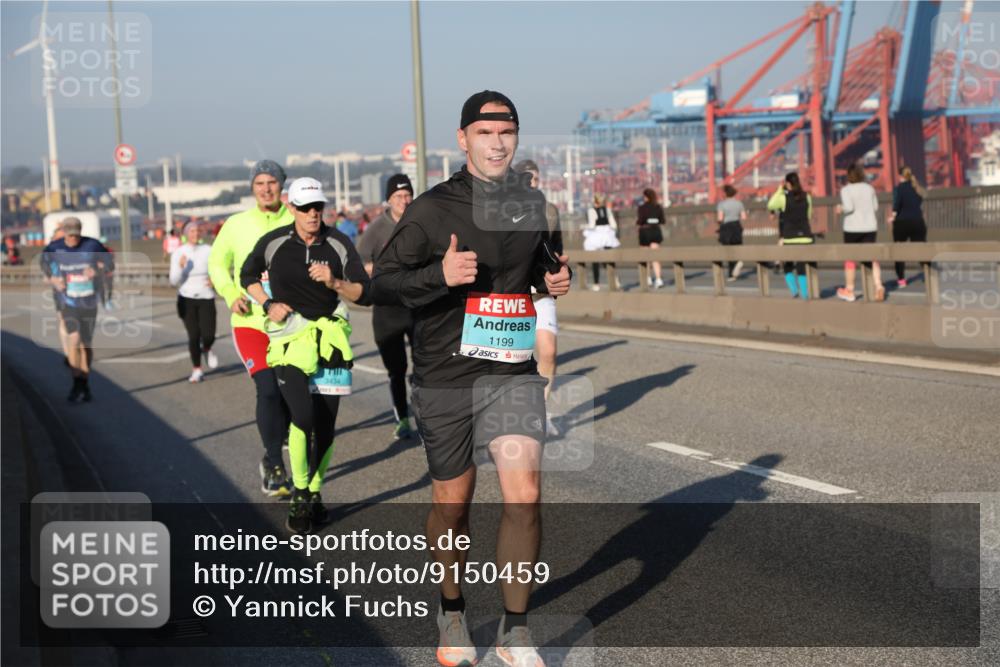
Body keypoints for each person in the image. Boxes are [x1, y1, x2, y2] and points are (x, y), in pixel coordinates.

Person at [372, 90, 571, 667]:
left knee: (525, 494)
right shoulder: (432, 210)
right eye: (485, 133)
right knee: (453, 505)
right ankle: (452, 607)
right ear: (463, 140)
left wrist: (552, 283)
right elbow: (384, 282)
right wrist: (439, 272)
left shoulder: (530, 204)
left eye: (506, 131)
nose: (497, 142)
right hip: (445, 374)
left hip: (511, 369)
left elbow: (535, 267)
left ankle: (515, 630)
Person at [241, 177, 370, 534]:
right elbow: (246, 275)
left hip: (330, 340)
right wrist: (267, 303)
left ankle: (313, 493)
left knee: (326, 427)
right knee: (303, 417)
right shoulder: (274, 242)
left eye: (318, 207)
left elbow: (363, 292)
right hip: (288, 342)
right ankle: (299, 491)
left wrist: (334, 283)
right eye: (305, 208)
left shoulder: (339, 243)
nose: (313, 214)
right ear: (292, 207)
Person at [208, 159, 295, 497]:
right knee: (269, 389)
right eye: (259, 183)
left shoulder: (296, 219)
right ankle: (274, 463)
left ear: (281, 185)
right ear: (252, 188)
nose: (266, 188)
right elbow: (217, 263)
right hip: (250, 323)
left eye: (271, 182)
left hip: (291, 324)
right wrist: (231, 294)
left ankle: (280, 444)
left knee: (290, 395)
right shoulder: (236, 224)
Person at [357, 174, 417, 440]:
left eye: (407, 195)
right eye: (398, 197)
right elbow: (359, 260)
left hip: (417, 305)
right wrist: (370, 270)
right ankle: (402, 418)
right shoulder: (377, 228)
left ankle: (424, 409)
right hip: (387, 310)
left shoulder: (420, 222)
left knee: (425, 365)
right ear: (389, 200)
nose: (404, 201)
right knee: (397, 369)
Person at [39, 217, 114, 402]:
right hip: (68, 301)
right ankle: (76, 382)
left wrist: (97, 271)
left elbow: (110, 264)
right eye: (70, 235)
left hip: (89, 301)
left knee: (86, 345)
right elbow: (43, 264)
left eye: (76, 235)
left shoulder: (92, 245)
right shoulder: (54, 247)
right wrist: (53, 279)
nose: (73, 239)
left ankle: (85, 383)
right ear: (64, 231)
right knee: (74, 339)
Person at [515, 159, 563, 437]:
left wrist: (559, 265)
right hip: (516, 294)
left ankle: (540, 413)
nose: (531, 183)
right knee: (517, 358)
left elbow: (556, 248)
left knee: (548, 351)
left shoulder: (550, 211)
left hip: (542, 292)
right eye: (526, 179)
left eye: (534, 179)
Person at [169, 220, 218, 383]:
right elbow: (173, 280)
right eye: (191, 231)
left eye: (198, 231)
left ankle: (207, 347)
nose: (195, 234)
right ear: (185, 234)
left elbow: (217, 270)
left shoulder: (208, 250)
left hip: (206, 295)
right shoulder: (179, 253)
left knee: (209, 334)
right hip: (186, 297)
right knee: (194, 335)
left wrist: (214, 280)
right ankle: (197, 369)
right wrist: (181, 267)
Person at [836, 163, 884, 302]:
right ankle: (879, 286)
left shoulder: (846, 190)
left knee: (850, 258)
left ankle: (850, 290)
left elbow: (849, 208)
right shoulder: (869, 188)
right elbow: (875, 207)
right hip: (870, 227)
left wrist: (840, 208)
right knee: (872, 257)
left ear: (848, 176)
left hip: (852, 228)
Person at [767, 172, 814, 299]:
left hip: (790, 236)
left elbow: (770, 205)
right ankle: (805, 295)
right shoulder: (807, 196)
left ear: (787, 183)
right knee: (801, 267)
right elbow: (809, 215)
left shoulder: (784, 198)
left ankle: (794, 291)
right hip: (805, 236)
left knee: (788, 265)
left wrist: (779, 190)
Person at [889, 165, 927, 288]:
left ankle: (901, 280)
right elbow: (918, 202)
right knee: (922, 249)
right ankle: (928, 274)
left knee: (899, 251)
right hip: (917, 222)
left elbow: (897, 205)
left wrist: (892, 217)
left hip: (902, 223)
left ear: (900, 176)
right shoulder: (917, 187)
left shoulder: (899, 188)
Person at [583, 193, 619, 291]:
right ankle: (615, 281)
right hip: (607, 236)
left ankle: (596, 284)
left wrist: (583, 227)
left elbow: (592, 225)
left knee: (595, 261)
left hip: (596, 236)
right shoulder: (607, 210)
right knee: (608, 261)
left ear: (594, 201)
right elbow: (614, 225)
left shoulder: (591, 211)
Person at [716, 184, 747, 281]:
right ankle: (737, 264)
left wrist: (719, 224)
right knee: (737, 247)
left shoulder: (722, 204)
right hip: (737, 226)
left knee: (728, 251)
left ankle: (731, 274)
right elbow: (744, 217)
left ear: (725, 193)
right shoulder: (739, 203)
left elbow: (720, 218)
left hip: (727, 228)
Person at [637, 187, 666, 288]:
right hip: (655, 231)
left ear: (645, 197)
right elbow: (662, 221)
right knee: (655, 257)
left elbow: (640, 221)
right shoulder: (658, 207)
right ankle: (658, 279)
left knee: (646, 257)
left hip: (645, 232)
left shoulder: (642, 208)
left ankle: (648, 278)